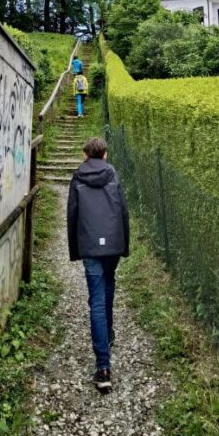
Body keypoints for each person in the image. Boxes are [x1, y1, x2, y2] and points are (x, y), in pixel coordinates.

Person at [67, 136, 130, 393]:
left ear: (86, 155)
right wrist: (123, 244)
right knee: (109, 283)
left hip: (90, 245)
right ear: (104, 154)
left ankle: (103, 367)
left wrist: (75, 250)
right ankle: (109, 332)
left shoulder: (78, 177)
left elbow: (72, 215)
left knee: (96, 299)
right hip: (112, 243)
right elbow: (123, 210)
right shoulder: (113, 174)